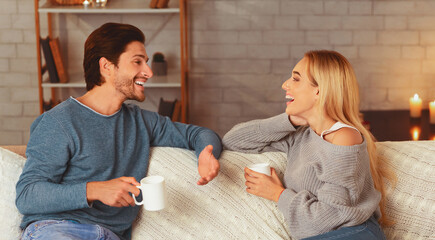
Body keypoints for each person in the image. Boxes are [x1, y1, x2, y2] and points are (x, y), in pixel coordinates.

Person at [16, 22, 222, 240]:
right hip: (59, 229)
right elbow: (27, 195)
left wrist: (205, 153)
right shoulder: (59, 122)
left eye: (147, 62)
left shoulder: (141, 121)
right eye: (137, 62)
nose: (149, 72)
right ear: (106, 66)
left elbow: (199, 134)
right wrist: (95, 190)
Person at [222, 50, 394, 240]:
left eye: (296, 79)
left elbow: (327, 218)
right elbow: (232, 140)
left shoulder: (345, 137)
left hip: (354, 234)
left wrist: (278, 194)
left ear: (318, 90)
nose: (285, 84)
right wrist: (289, 120)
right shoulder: (300, 135)